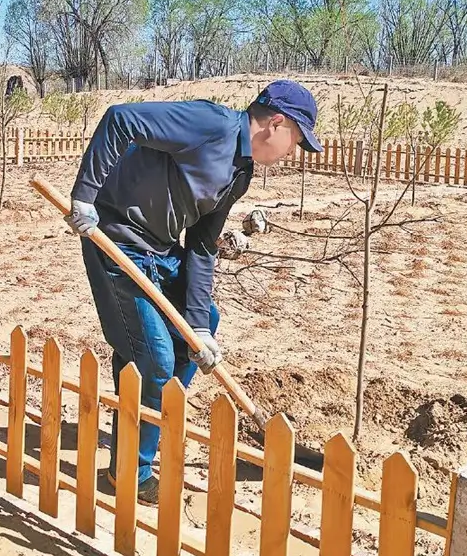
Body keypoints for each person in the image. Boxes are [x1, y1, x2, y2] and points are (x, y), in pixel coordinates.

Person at [64, 80, 321, 505]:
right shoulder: (210, 124)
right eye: (295, 140)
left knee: (198, 329)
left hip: (161, 249)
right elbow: (120, 119)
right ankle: (131, 471)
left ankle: (150, 410)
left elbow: (201, 244)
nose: (292, 152)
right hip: (116, 237)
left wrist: (199, 327)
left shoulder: (240, 173)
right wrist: (86, 195)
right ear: (276, 123)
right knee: (157, 359)